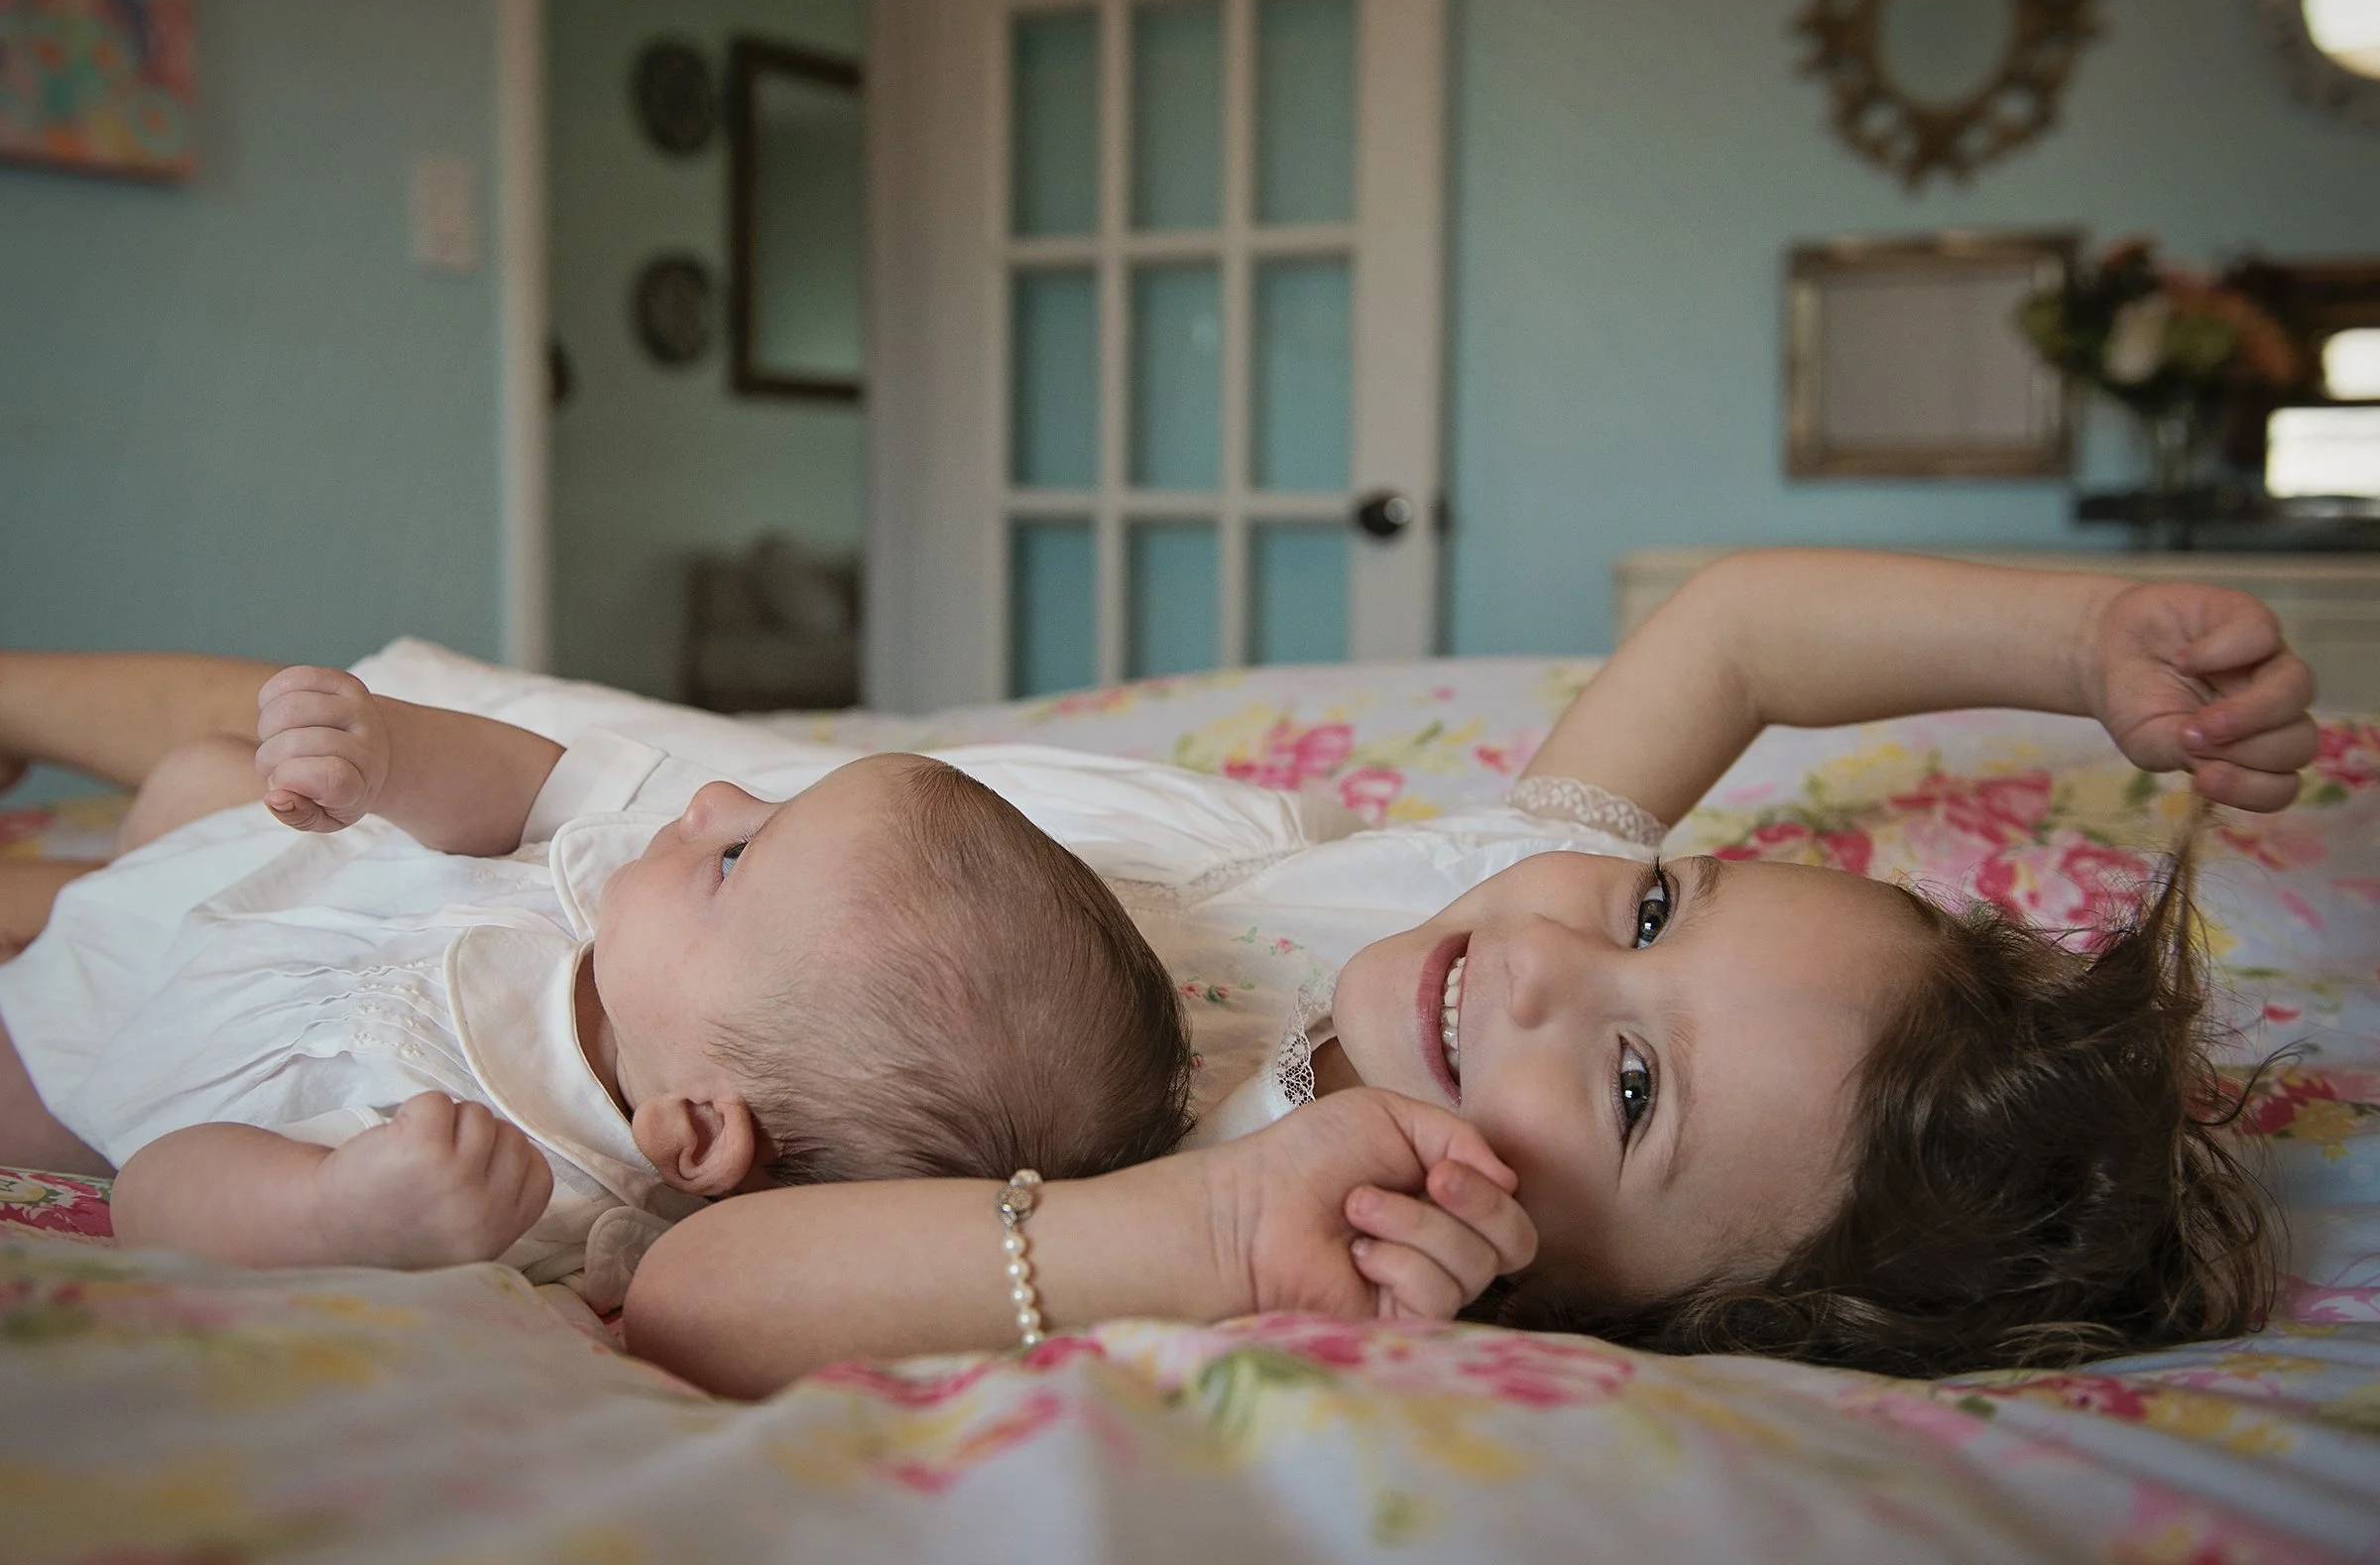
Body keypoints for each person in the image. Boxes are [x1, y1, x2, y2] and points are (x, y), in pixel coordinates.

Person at [616, 550, 2316, 1394]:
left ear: (1604, 1311)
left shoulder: (1266, 1229)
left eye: (1633, 1086)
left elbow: (698, 1299)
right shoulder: (1483, 880)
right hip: (690, 832)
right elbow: (1729, 634)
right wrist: (2076, 641)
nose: (1546, 969)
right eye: (1655, 910)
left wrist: (1199, 1241)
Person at [0, 657, 1192, 1305]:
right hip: (245, 885)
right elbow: (534, 783)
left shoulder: (523, 1183)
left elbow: (159, 1188)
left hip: (103, 1037)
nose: (713, 801)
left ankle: (53, 915)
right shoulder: (637, 914)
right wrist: (392, 749)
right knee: (202, 776)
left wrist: (340, 1216)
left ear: (702, 1127)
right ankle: (68, 889)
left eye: (738, 853)